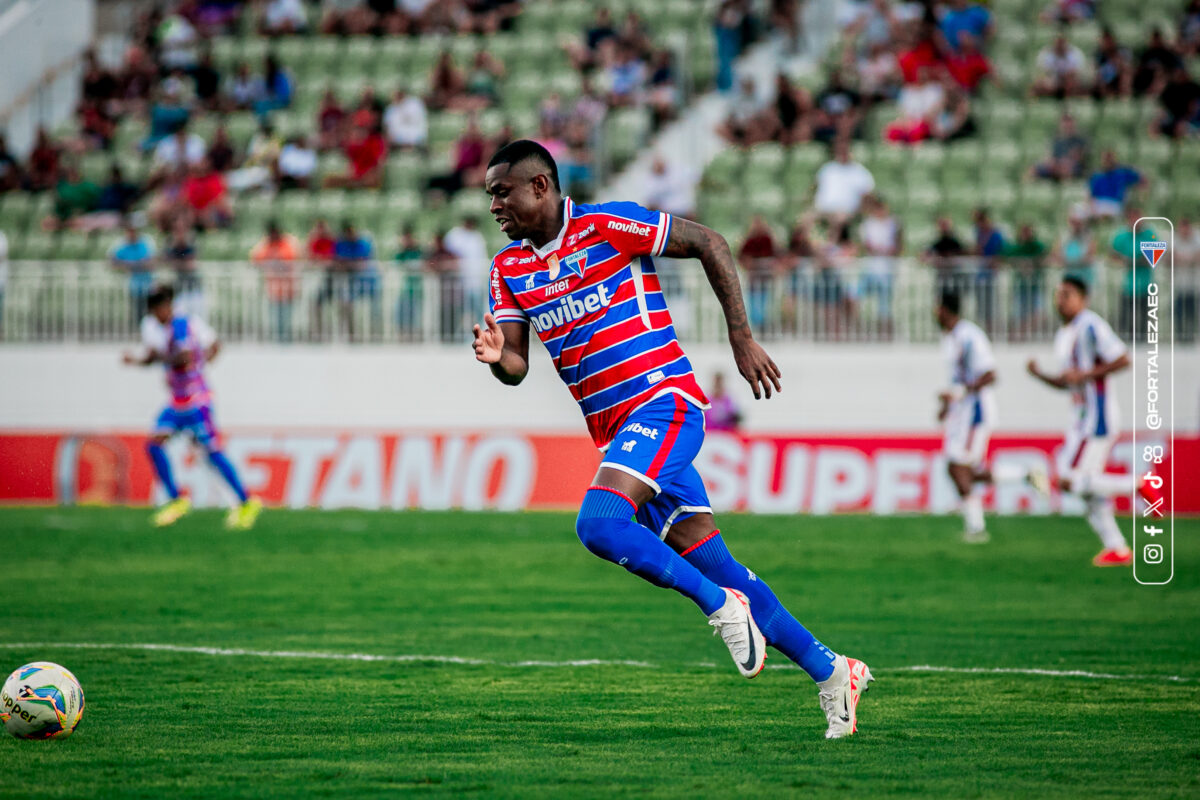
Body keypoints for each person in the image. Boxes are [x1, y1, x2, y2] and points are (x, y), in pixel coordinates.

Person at [473, 140, 871, 739]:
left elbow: (711, 242)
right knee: (725, 567)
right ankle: (833, 670)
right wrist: (497, 356)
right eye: (489, 196)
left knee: (599, 524)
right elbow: (517, 366)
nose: (494, 205)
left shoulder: (608, 225)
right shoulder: (508, 270)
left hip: (664, 405)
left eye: (502, 192)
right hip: (622, 439)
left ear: (540, 186)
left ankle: (718, 608)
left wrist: (741, 338)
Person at [1025, 277, 1162, 566]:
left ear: (1082, 299)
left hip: (1096, 416)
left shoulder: (1091, 325)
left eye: (1067, 294)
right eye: (1058, 294)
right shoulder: (1065, 334)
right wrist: (1039, 375)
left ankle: (1138, 484)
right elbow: (1068, 382)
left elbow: (1123, 359)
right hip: (1080, 418)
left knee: (1068, 479)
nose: (1060, 299)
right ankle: (1117, 548)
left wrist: (1086, 375)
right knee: (1087, 489)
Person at [121, 285, 262, 530]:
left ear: (166, 307)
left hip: (197, 401)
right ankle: (177, 500)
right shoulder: (152, 327)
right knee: (154, 445)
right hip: (177, 402)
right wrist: (137, 361)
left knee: (212, 452)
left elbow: (187, 357)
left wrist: (199, 363)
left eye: (160, 309)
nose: (158, 314)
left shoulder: (183, 325)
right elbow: (161, 356)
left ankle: (246, 502)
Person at [935, 290, 1004, 543]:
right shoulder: (950, 338)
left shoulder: (969, 335)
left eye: (937, 308)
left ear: (944, 309)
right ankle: (1024, 475)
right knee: (958, 468)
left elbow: (990, 374)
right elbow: (957, 380)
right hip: (961, 414)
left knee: (958, 467)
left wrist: (962, 391)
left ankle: (976, 527)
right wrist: (947, 404)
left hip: (976, 413)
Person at [251, 220, 302, 342]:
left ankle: (287, 341)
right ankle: (277, 341)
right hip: (273, 289)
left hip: (288, 289)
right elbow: (255, 259)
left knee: (286, 319)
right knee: (275, 319)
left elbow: (291, 261)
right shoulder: (266, 245)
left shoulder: (288, 243)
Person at [109, 223, 158, 323]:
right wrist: (128, 265)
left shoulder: (146, 242)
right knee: (137, 312)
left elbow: (152, 262)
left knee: (150, 312)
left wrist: (134, 265)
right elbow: (112, 262)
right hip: (134, 286)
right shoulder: (121, 244)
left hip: (148, 285)